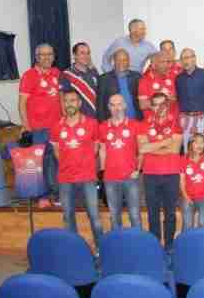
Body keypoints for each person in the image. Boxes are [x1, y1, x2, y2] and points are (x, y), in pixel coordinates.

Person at [50, 91, 103, 245]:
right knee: (68, 216)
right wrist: (70, 163)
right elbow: (57, 152)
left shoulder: (92, 123)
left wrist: (83, 162)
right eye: (66, 101)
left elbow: (96, 149)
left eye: (73, 100)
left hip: (87, 177)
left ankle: (100, 250)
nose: (69, 104)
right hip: (65, 178)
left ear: (79, 103)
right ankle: (74, 250)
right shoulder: (56, 126)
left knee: (94, 216)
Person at [18, 43, 62, 207]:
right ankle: (42, 197)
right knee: (40, 164)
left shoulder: (57, 73)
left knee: (55, 162)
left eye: (49, 54)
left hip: (56, 128)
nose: (47, 57)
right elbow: (22, 103)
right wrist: (25, 125)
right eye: (43, 55)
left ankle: (57, 195)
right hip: (37, 129)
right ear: (36, 57)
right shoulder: (29, 75)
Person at [138, 92, 183, 249]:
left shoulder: (175, 124)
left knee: (170, 213)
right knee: (153, 213)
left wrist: (153, 146)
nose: (159, 108)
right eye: (155, 104)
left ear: (168, 105)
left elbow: (175, 149)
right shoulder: (143, 124)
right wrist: (166, 142)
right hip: (150, 174)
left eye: (162, 104)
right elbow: (142, 148)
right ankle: (155, 246)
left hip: (171, 173)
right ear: (151, 106)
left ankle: (169, 246)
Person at [98, 94, 142, 229]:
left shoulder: (135, 125)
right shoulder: (103, 127)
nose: (116, 108)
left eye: (119, 104)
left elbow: (142, 150)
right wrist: (102, 172)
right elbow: (102, 150)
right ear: (108, 108)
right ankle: (117, 248)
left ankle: (138, 245)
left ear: (125, 106)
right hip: (110, 178)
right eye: (113, 105)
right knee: (114, 215)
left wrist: (138, 170)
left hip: (131, 177)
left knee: (134, 214)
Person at [176, 48, 204, 150]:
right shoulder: (178, 78)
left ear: (194, 59)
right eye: (183, 58)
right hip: (185, 119)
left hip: (203, 118)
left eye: (188, 57)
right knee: (187, 149)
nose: (185, 61)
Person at [180, 134, 204, 231]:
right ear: (191, 144)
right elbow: (182, 182)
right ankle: (185, 245)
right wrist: (186, 197)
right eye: (196, 142)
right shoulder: (183, 159)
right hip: (188, 196)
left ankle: (203, 244)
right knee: (187, 224)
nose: (199, 145)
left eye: (202, 142)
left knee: (202, 222)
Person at [97, 48, 143, 122]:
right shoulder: (104, 79)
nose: (121, 62)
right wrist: (102, 123)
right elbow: (100, 105)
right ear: (114, 61)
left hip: (135, 121)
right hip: (113, 123)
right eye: (118, 60)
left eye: (124, 60)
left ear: (128, 62)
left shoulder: (137, 77)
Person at [60, 42, 99, 118]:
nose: (86, 56)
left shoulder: (94, 72)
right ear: (75, 55)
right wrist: (66, 117)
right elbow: (62, 99)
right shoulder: (67, 74)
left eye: (88, 53)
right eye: (82, 53)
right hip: (79, 120)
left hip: (97, 118)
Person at [139, 51, 179, 119]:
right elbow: (142, 105)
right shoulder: (144, 80)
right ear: (154, 65)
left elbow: (178, 97)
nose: (166, 65)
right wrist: (161, 100)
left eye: (167, 62)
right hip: (153, 123)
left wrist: (174, 98)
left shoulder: (174, 76)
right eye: (162, 62)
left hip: (172, 123)